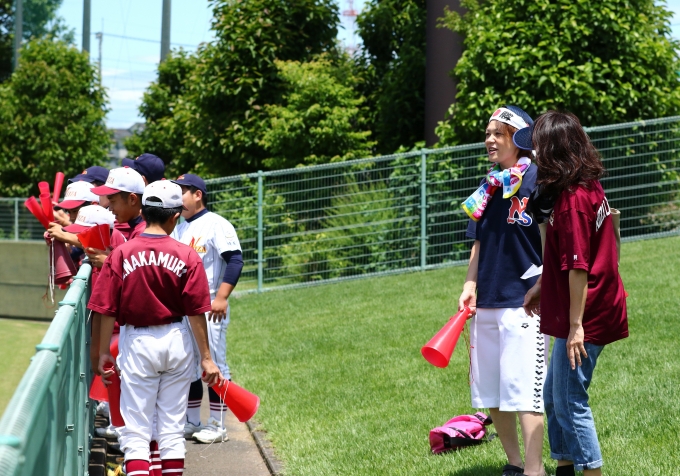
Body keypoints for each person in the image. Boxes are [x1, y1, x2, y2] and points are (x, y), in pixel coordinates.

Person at [89, 180, 224, 476]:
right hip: (177, 340)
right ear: (175, 216)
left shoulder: (121, 254)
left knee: (137, 432)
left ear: (143, 211)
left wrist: (103, 352)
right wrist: (206, 357)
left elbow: (106, 308)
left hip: (138, 341)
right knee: (171, 431)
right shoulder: (187, 255)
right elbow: (196, 312)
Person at [523, 111, 628, 476]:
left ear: (555, 150)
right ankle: (565, 467)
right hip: (588, 306)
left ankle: (591, 471)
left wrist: (575, 327)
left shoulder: (573, 201)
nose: (534, 155)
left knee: (570, 401)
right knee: (554, 397)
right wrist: (542, 285)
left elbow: (579, 267)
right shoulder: (582, 185)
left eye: (538, 147)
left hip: (589, 312)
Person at [459, 106, 547, 476]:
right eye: (488, 133)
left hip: (525, 302)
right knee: (491, 391)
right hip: (487, 303)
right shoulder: (489, 187)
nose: (490, 140)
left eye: (499, 133)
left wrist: (543, 284)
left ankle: (534, 470)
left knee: (525, 391)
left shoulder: (539, 179)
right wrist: (470, 284)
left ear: (519, 138)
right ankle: (514, 464)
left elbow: (550, 236)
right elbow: (478, 243)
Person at [170, 173, 244, 443]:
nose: (178, 197)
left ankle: (218, 424)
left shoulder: (216, 224)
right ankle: (192, 421)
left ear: (197, 194)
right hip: (186, 306)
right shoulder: (178, 227)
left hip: (210, 304)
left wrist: (222, 297)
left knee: (214, 363)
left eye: (182, 191)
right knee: (189, 364)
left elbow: (235, 260)